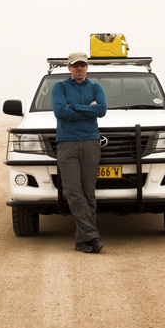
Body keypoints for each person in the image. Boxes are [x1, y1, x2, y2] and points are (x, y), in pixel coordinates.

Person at [52, 52, 108, 253]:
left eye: (82, 65)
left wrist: (74, 107)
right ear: (69, 68)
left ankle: (82, 241)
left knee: (88, 193)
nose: (79, 68)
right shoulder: (60, 87)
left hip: (91, 142)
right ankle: (92, 237)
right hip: (67, 143)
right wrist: (87, 109)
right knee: (73, 192)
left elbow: (101, 110)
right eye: (75, 65)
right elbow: (60, 112)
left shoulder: (95, 87)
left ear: (87, 67)